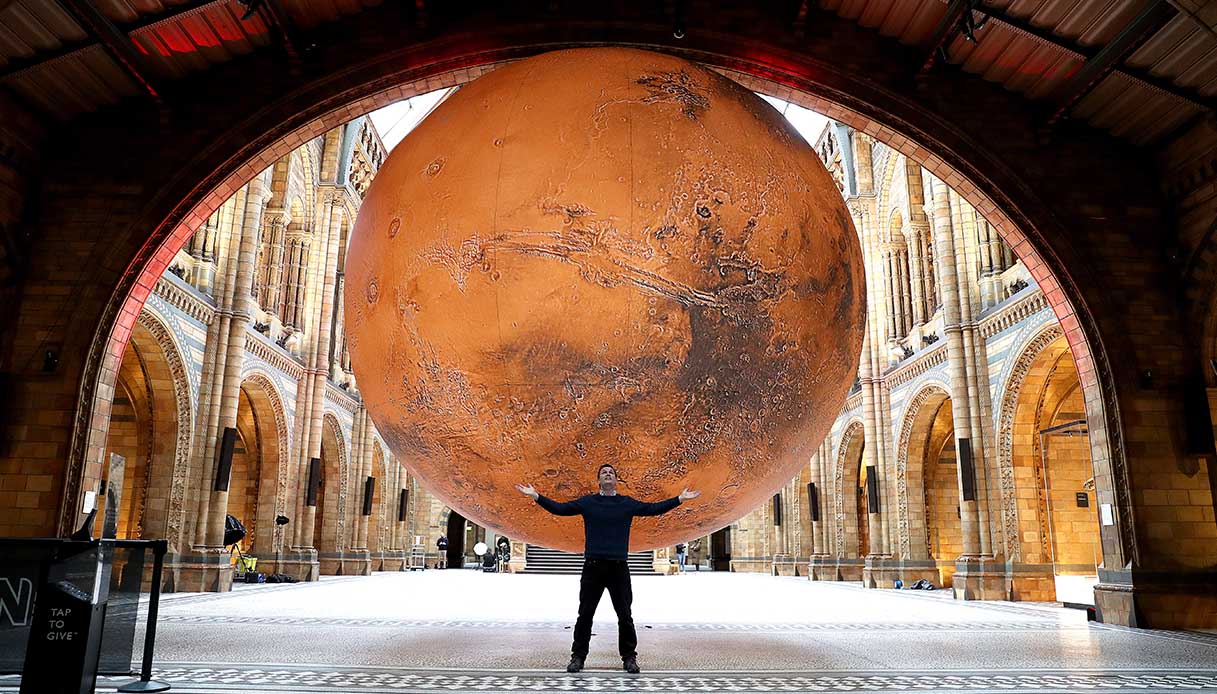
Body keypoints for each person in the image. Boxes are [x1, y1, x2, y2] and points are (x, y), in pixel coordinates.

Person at [516, 464, 700, 675]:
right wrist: (536, 496)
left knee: (625, 615)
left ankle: (629, 658)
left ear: (616, 480)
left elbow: (652, 509)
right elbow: (561, 509)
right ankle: (578, 657)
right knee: (585, 614)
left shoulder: (626, 503)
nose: (608, 474)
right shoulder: (588, 502)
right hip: (593, 567)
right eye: (604, 472)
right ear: (599, 480)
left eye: (611, 472)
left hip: (618, 567)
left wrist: (679, 499)